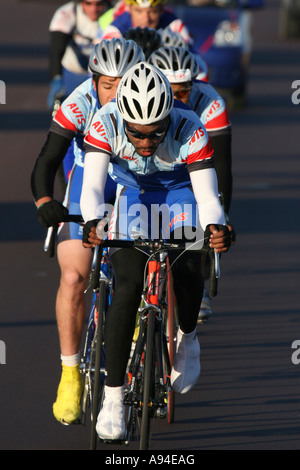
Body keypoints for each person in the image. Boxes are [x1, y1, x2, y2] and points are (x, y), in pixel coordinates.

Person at [80, 62, 231, 440]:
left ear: (169, 117)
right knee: (128, 285)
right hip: (133, 196)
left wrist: (216, 226)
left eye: (155, 134)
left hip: (180, 194)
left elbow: (208, 197)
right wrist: (95, 221)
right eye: (137, 135)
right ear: (123, 120)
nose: (146, 143)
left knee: (186, 265)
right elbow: (93, 189)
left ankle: (188, 337)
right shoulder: (105, 121)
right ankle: (113, 397)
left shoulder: (190, 126)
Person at [31, 38, 145, 426]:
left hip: (133, 186)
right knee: (73, 275)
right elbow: (47, 157)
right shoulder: (80, 101)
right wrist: (45, 200)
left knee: (148, 256)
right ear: (94, 81)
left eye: (124, 82)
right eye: (108, 85)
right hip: (88, 184)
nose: (116, 93)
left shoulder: (151, 93)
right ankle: (69, 374)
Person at [148, 45, 234, 321]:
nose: (177, 97)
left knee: (205, 218)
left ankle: (197, 277)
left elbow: (221, 166)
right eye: (171, 89)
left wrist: (220, 217)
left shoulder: (211, 102)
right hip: (152, 169)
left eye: (184, 90)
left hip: (195, 166)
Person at [47, 0, 114, 111]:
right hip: (73, 73)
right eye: (88, 4)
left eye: (99, 4)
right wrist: (56, 79)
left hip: (101, 75)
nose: (94, 9)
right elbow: (56, 50)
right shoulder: (66, 13)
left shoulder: (113, 13)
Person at [100, 0, 191, 43]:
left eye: (152, 11)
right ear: (130, 9)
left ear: (161, 10)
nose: (146, 18)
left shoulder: (175, 25)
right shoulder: (116, 29)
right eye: (139, 11)